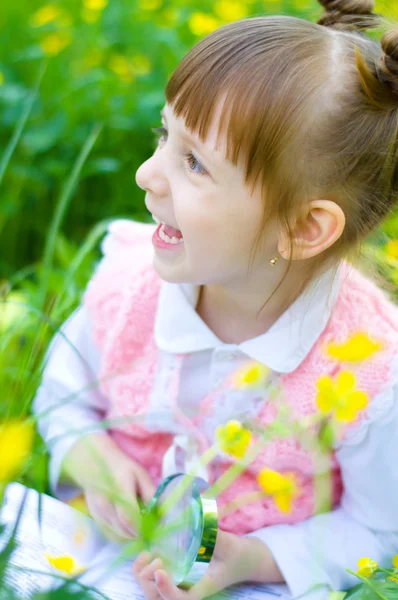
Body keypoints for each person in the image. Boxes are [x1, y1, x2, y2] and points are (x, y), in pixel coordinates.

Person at [33, 0, 398, 598]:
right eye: (163, 134)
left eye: (194, 162)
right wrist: (87, 455)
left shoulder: (369, 371)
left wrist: (254, 559)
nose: (147, 174)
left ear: (304, 228)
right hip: (103, 556)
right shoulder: (131, 289)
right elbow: (63, 392)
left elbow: (381, 527)